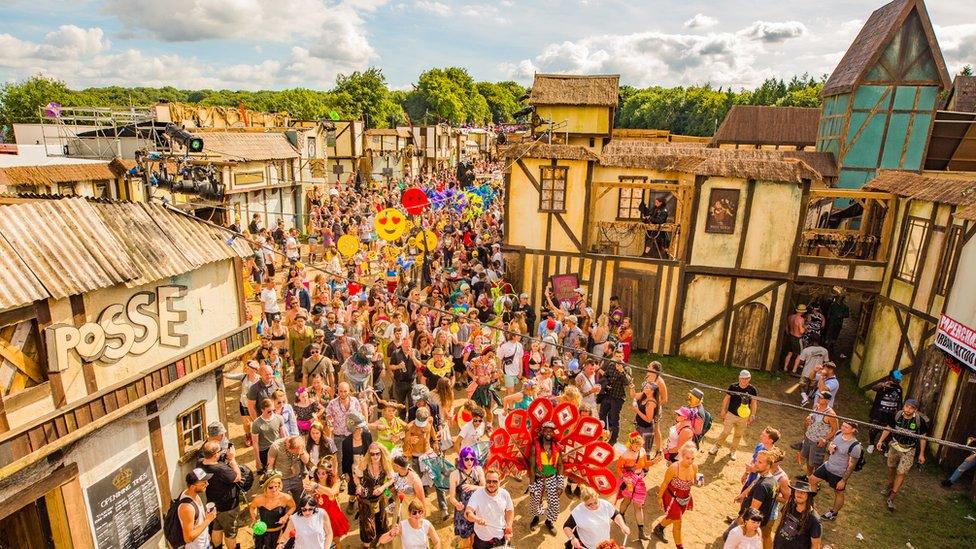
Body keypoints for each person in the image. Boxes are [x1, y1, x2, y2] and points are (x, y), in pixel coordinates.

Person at [876, 398, 929, 511]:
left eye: (911, 408)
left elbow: (923, 438)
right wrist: (880, 441)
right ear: (903, 406)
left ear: (915, 410)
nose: (908, 409)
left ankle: (892, 496)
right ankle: (890, 484)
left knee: (901, 472)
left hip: (909, 449)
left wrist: (921, 454)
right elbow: (888, 428)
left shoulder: (920, 421)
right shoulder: (897, 415)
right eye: (906, 406)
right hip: (894, 445)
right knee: (891, 467)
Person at [809, 420, 861, 521]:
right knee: (812, 479)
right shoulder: (838, 433)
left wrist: (843, 481)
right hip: (828, 466)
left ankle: (833, 513)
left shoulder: (855, 447)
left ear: (853, 430)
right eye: (843, 425)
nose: (843, 428)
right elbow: (832, 446)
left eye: (846, 427)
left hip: (839, 473)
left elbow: (851, 466)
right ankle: (810, 503)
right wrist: (830, 448)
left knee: (838, 493)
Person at [197, 441, 244, 549]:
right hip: (227, 507)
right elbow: (237, 477)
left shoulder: (199, 463)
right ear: (215, 455)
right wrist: (232, 459)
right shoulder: (221, 469)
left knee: (216, 529)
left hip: (212, 505)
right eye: (219, 451)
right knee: (230, 534)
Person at [651, 440, 698, 548]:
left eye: (692, 458)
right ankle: (680, 547)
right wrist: (659, 497)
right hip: (673, 498)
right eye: (688, 458)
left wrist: (699, 482)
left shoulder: (694, 467)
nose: (690, 461)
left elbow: (694, 481)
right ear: (681, 456)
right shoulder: (674, 468)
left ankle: (659, 528)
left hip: (685, 498)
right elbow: (665, 483)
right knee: (678, 523)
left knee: (673, 517)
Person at [727, 450, 778, 546]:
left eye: (760, 462)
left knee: (730, 538)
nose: (756, 464)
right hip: (759, 522)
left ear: (768, 465)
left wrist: (740, 522)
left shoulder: (763, 486)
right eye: (756, 460)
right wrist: (743, 494)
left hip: (751, 523)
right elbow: (755, 482)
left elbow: (752, 511)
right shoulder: (772, 479)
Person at [615, 431, 658, 540]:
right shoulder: (625, 455)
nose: (639, 447)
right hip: (629, 481)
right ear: (631, 444)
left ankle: (641, 532)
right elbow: (618, 467)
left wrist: (653, 462)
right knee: (627, 501)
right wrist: (624, 478)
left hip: (639, 480)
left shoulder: (642, 451)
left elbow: (644, 464)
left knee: (638, 505)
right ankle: (620, 517)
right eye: (636, 445)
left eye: (640, 445)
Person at [709, 370, 759, 460]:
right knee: (726, 432)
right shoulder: (733, 386)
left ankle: (733, 450)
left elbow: (754, 403)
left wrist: (752, 415)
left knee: (738, 435)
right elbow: (726, 399)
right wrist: (723, 410)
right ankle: (716, 446)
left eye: (746, 378)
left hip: (744, 417)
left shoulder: (752, 390)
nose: (744, 380)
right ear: (739, 378)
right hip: (731, 414)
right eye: (742, 378)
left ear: (749, 379)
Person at [527, 420, 564, 535]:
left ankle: (549, 522)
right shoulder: (535, 447)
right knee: (534, 501)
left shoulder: (557, 447)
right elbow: (532, 468)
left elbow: (560, 465)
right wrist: (532, 486)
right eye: (546, 430)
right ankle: (536, 518)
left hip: (552, 478)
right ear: (542, 432)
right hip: (538, 478)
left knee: (554, 503)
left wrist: (560, 483)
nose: (548, 433)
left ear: (553, 433)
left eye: (551, 431)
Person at [564, 486, 630, 549]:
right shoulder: (578, 512)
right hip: (586, 545)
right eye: (589, 505)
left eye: (595, 502)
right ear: (583, 502)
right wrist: (572, 538)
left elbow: (615, 515)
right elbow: (567, 527)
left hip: (604, 544)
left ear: (597, 498)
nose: (593, 506)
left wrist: (623, 525)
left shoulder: (605, 505)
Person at [355, 443, 394, 548]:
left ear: (381, 453)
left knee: (381, 520)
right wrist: (358, 486)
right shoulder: (364, 464)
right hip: (366, 498)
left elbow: (391, 479)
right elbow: (356, 476)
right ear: (369, 454)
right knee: (366, 523)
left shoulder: (385, 464)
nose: (375, 456)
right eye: (372, 454)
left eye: (377, 454)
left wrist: (382, 488)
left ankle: (381, 541)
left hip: (380, 497)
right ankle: (366, 545)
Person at [306, 457, 350, 549]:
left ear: (328, 473)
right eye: (318, 473)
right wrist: (310, 492)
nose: (320, 475)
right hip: (318, 516)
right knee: (321, 540)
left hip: (332, 516)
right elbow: (310, 497)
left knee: (336, 540)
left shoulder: (335, 481)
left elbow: (331, 492)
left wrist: (316, 486)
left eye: (323, 473)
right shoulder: (314, 481)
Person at [465, 469, 514, 549]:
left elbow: (510, 510)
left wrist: (509, 526)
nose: (491, 484)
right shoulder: (477, 494)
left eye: (495, 481)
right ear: (485, 481)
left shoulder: (505, 494)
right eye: (488, 481)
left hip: (501, 536)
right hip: (482, 539)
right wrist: (476, 519)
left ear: (500, 481)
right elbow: (467, 512)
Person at [449, 446, 486, 548]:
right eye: (466, 459)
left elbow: (485, 487)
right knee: (465, 542)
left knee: (475, 539)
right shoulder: (455, 474)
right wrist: (457, 504)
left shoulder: (478, 470)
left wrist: (472, 487)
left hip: (477, 510)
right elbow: (451, 497)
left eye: (472, 458)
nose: (469, 461)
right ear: (462, 459)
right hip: (463, 512)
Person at [249, 472, 296, 549]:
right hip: (263, 533)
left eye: (276, 486)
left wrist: (286, 516)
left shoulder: (286, 498)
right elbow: (252, 507)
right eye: (270, 487)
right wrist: (254, 519)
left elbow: (293, 507)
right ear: (265, 488)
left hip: (280, 533)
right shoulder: (258, 499)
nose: (274, 489)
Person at [773, 479, 822, 549]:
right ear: (794, 493)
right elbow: (781, 526)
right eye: (797, 491)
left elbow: (816, 546)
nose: (799, 494)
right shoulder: (788, 507)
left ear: (809, 496)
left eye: (803, 492)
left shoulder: (814, 519)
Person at [597, 349, 632, 445]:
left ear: (623, 357)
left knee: (614, 419)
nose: (618, 359)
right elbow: (605, 377)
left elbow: (628, 382)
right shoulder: (611, 365)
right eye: (617, 356)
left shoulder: (627, 368)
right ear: (614, 357)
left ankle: (613, 440)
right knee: (602, 415)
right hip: (607, 395)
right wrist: (606, 384)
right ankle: (602, 435)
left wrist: (622, 372)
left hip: (618, 397)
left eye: (620, 357)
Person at [377, 497, 442, 548]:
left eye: (420, 512)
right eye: (414, 512)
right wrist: (391, 533)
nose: (417, 515)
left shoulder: (427, 524)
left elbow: (437, 541)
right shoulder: (402, 525)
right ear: (409, 513)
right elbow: (381, 540)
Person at [177, 468, 218, 549]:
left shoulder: (192, 494)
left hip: (204, 543)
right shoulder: (187, 508)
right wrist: (208, 520)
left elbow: (198, 522)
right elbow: (188, 538)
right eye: (203, 483)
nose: (207, 484)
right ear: (192, 487)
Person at [799, 392, 838, 475]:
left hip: (817, 442)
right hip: (808, 437)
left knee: (815, 463)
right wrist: (807, 420)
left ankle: (816, 481)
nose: (819, 398)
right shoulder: (816, 406)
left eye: (821, 397)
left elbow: (835, 429)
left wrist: (825, 439)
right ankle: (809, 477)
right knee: (807, 459)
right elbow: (811, 418)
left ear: (827, 400)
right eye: (819, 397)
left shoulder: (830, 414)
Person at [867, 370, 903, 453]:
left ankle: (883, 444)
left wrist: (899, 413)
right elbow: (874, 388)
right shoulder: (883, 386)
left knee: (888, 431)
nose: (897, 381)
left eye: (899, 380)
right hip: (878, 413)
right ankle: (871, 444)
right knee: (873, 429)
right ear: (890, 377)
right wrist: (883, 385)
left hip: (890, 414)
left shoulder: (899, 389)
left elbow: (900, 401)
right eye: (895, 379)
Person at [267, 435, 311, 501]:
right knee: (281, 501)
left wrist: (301, 452)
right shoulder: (275, 447)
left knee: (300, 500)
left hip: (296, 478)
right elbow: (270, 465)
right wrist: (272, 481)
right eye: (294, 452)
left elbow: (306, 461)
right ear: (288, 447)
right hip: (282, 480)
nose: (296, 454)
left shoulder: (300, 443)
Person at [251, 398, 286, 473]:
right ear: (262, 410)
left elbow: (283, 436)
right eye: (269, 411)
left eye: (273, 410)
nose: (272, 413)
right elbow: (255, 443)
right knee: (268, 473)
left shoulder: (279, 418)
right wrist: (258, 461)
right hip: (264, 451)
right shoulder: (256, 424)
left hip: (277, 448)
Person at [793, 334, 829, 406]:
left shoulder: (806, 350)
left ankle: (804, 398)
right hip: (817, 374)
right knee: (811, 387)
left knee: (801, 385)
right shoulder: (824, 351)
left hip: (806, 372)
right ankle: (806, 398)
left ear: (810, 340)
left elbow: (802, 361)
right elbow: (826, 362)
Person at [785, 305, 806, 373]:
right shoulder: (801, 319)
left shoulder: (790, 317)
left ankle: (785, 367)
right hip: (797, 338)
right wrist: (805, 328)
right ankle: (794, 370)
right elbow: (801, 331)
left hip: (790, 336)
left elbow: (786, 327)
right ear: (803, 312)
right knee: (799, 354)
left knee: (789, 353)